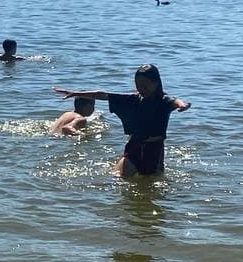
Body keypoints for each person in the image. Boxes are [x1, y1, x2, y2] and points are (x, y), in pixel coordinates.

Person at [54, 64, 191, 178]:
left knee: (151, 183)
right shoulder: (132, 100)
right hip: (133, 146)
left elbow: (175, 101)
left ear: (156, 83)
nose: (141, 89)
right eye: (138, 85)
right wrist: (76, 93)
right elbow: (104, 95)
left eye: (145, 85)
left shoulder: (163, 101)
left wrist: (182, 105)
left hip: (153, 150)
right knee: (118, 179)